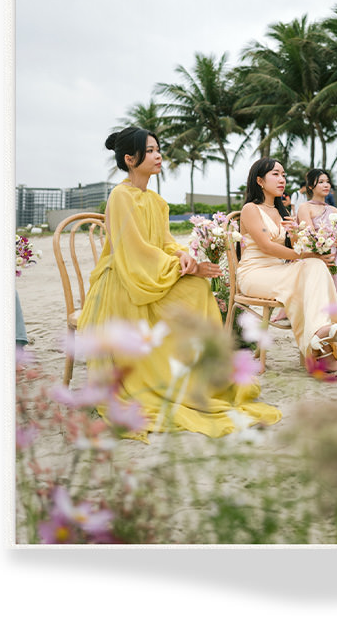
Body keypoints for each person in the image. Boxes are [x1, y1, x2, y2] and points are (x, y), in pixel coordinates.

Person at [77, 127, 282, 440]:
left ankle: (199, 376)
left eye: (158, 149)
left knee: (197, 288)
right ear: (130, 159)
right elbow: (134, 251)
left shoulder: (157, 201)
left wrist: (184, 256)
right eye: (149, 151)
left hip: (150, 272)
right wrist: (184, 266)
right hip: (124, 281)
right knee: (191, 287)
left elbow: (164, 243)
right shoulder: (120, 196)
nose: (158, 155)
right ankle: (164, 374)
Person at [237, 158, 337, 376]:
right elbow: (266, 247)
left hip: (278, 271)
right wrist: (307, 253)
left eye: (283, 175)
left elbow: (293, 247)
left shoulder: (282, 211)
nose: (282, 179)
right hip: (254, 273)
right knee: (311, 262)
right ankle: (322, 349)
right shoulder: (250, 209)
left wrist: (294, 233)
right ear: (260, 181)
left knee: (315, 264)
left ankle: (323, 347)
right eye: (275, 174)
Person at [296, 167, 337, 301]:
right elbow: (309, 235)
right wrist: (330, 240)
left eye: (327, 182)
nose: (326, 185)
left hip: (334, 251)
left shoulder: (334, 210)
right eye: (321, 182)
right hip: (315, 251)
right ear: (310, 186)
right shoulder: (305, 207)